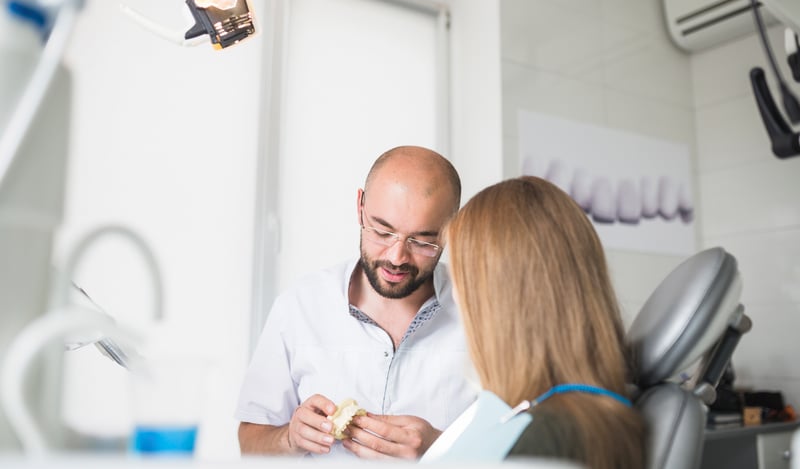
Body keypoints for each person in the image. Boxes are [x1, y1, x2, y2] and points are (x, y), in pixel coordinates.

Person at [235, 145, 477, 459]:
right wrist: (289, 439)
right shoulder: (300, 306)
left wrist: (443, 449)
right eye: (382, 230)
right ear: (360, 206)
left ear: (451, 230)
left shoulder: (486, 314)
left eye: (422, 240)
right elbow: (250, 443)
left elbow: (529, 449)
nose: (396, 257)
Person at [423, 176, 645, 469]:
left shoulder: (546, 439)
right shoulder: (562, 413)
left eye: (460, 280)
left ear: (499, 299)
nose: (455, 295)